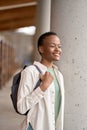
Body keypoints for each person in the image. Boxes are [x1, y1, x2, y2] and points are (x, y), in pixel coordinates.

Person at [17, 32, 65, 130]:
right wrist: (43, 87)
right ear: (41, 49)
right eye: (52, 46)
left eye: (59, 46)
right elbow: (21, 107)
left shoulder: (59, 75)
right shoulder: (30, 71)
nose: (57, 49)